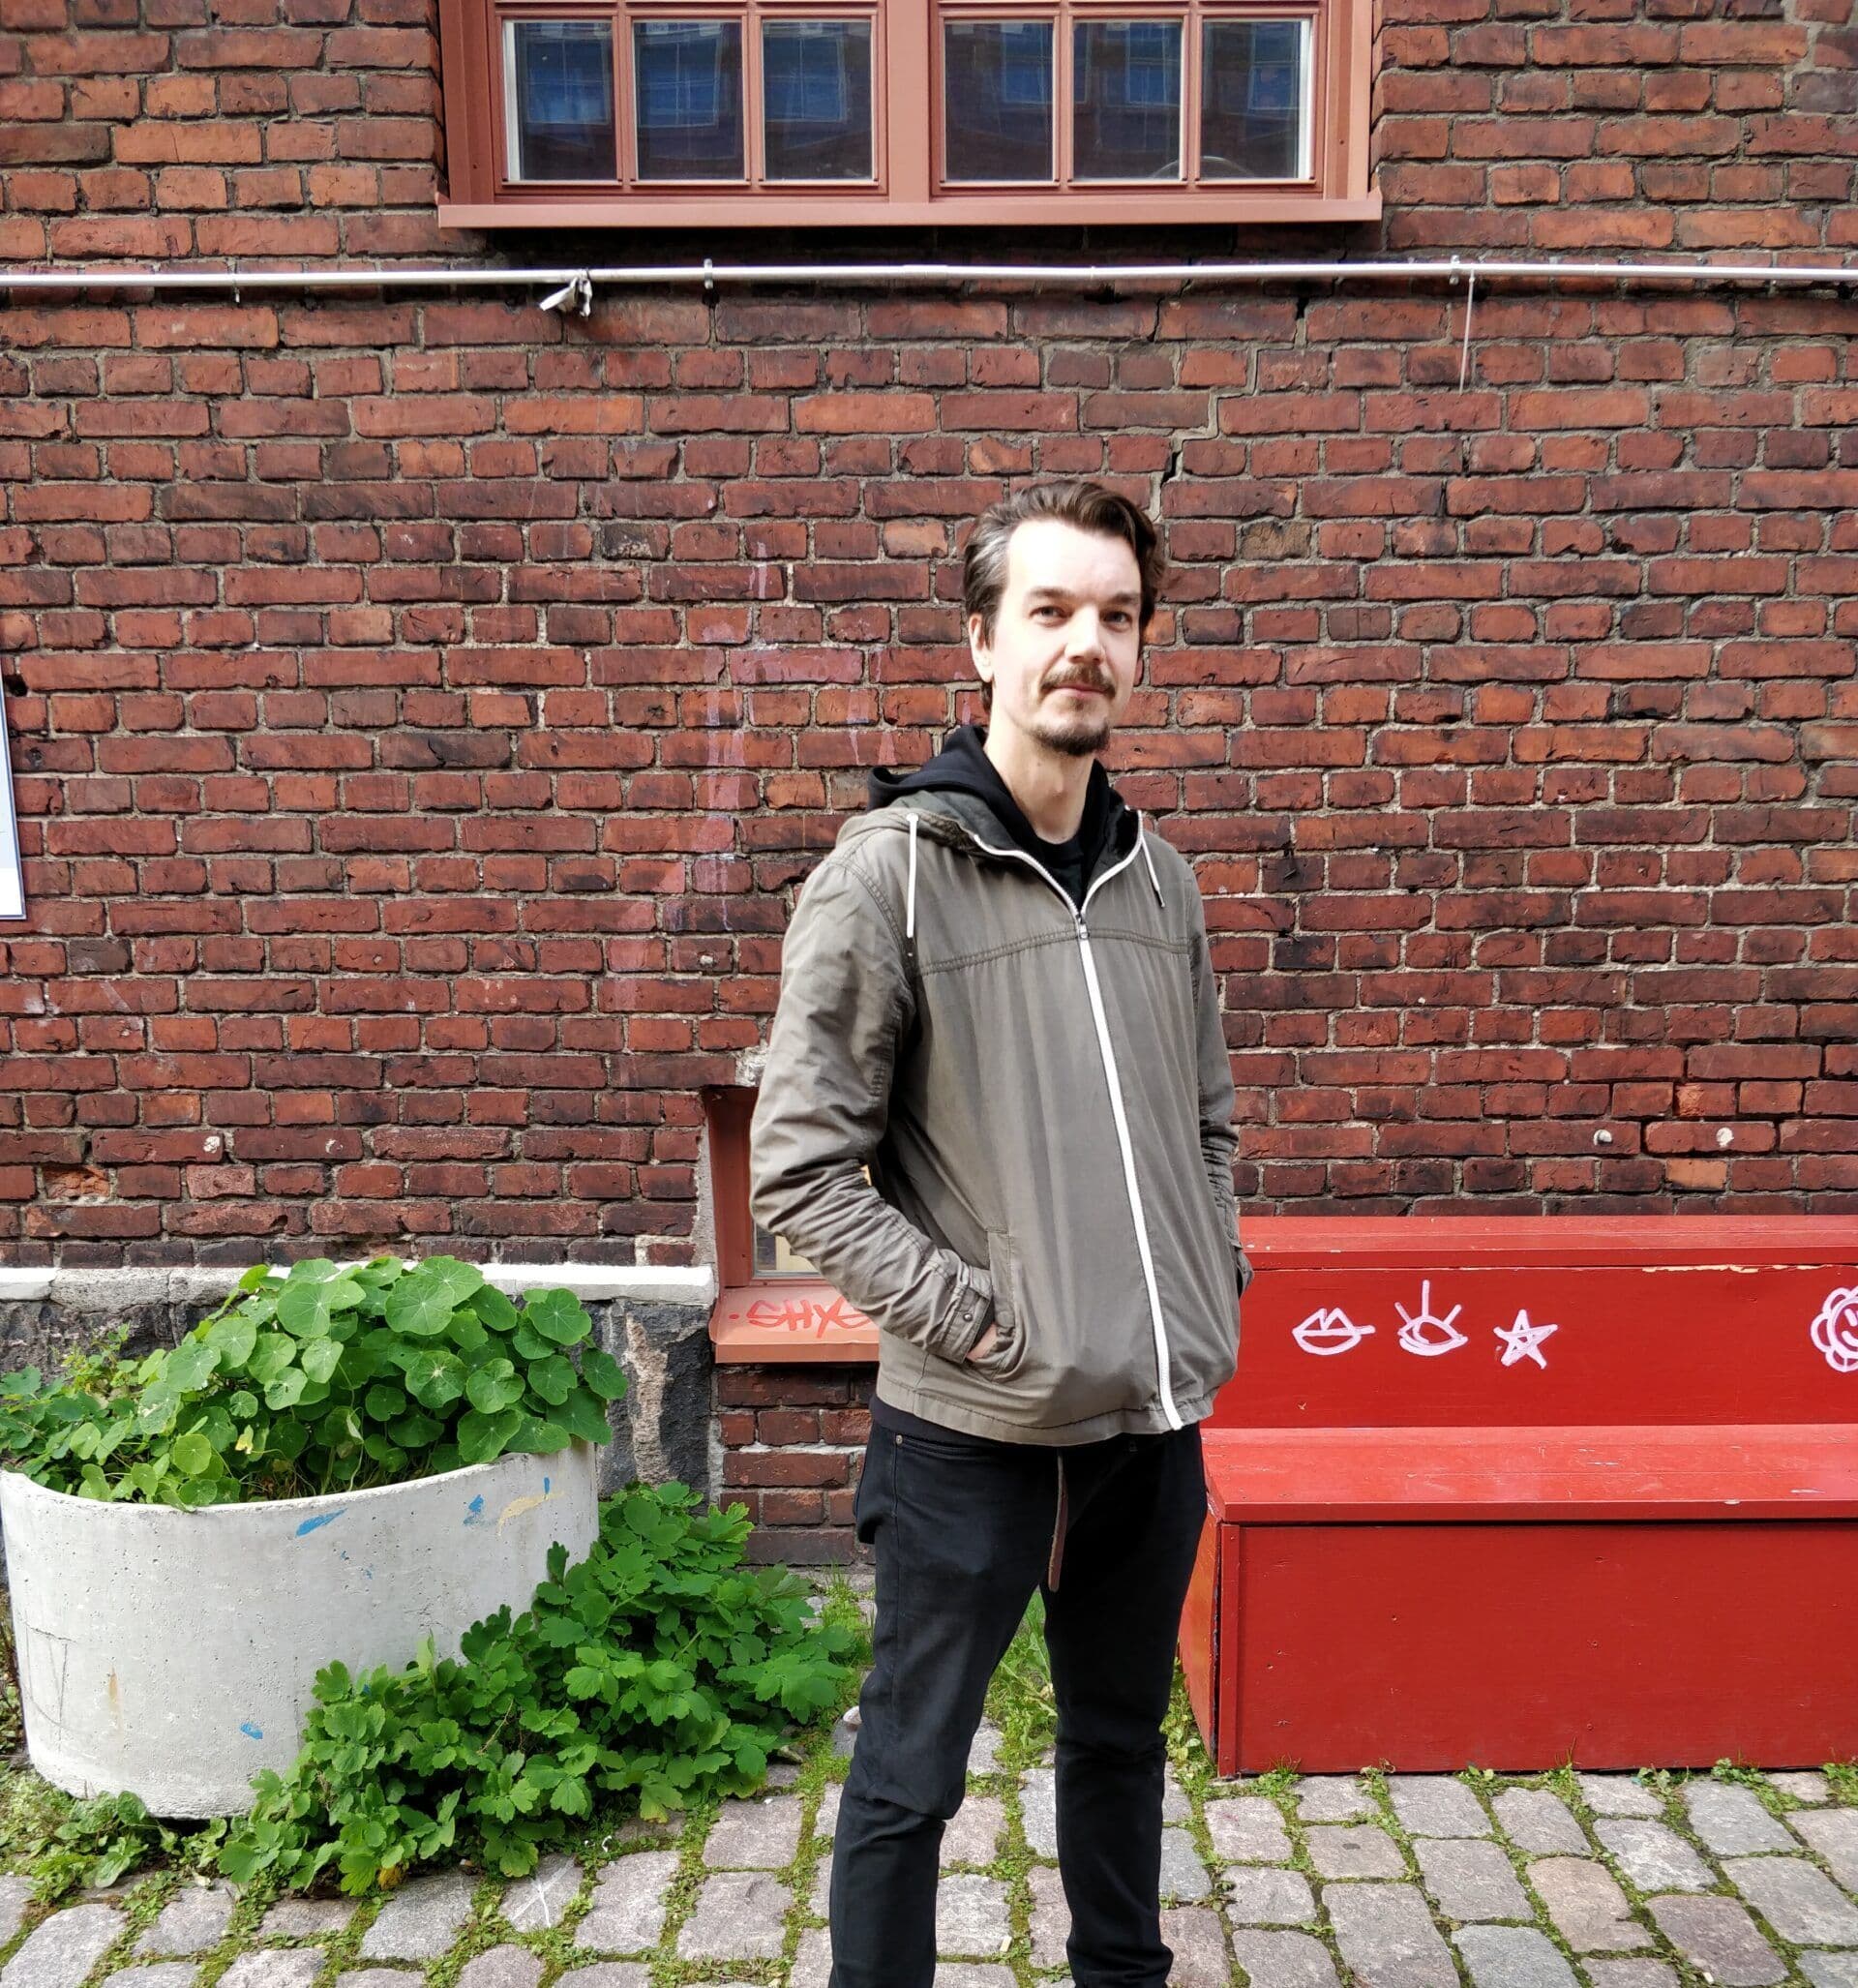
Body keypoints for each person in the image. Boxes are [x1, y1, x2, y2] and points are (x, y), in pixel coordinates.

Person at [748, 478, 1252, 1988]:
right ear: (983, 640)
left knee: (1119, 1744)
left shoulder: (1162, 881)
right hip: (969, 1431)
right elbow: (802, 1171)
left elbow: (1208, 1125)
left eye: (1117, 615)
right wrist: (974, 1319)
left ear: (1141, 648)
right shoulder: (887, 874)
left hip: (1147, 1425)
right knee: (909, 1778)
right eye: (1051, 610)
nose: (1085, 643)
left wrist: (1205, 1277)